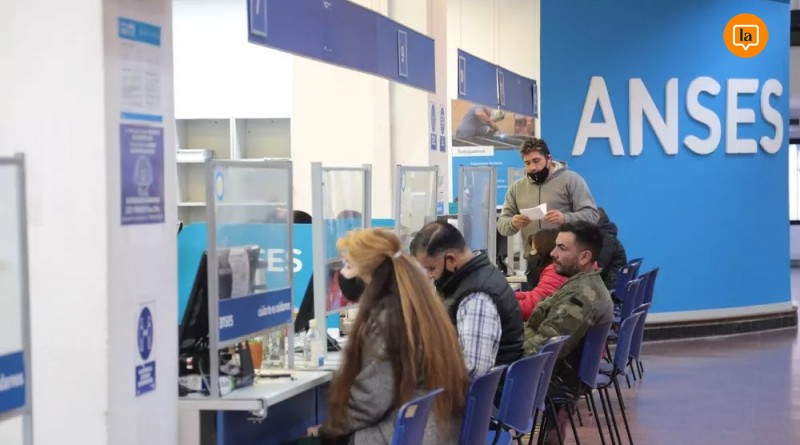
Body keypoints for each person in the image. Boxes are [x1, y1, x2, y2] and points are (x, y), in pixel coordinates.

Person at [313, 228, 468, 444]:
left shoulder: (389, 320)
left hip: (406, 435)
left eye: (348, 266)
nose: (343, 275)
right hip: (431, 430)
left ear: (369, 273)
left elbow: (370, 401)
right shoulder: (417, 306)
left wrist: (327, 429)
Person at [522, 221, 614, 444]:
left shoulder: (580, 296)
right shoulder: (583, 285)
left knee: (474, 384)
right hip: (561, 374)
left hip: (554, 378)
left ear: (584, 257)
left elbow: (544, 348)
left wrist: (502, 352)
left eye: (562, 248)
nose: (552, 253)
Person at [410, 221, 524, 380]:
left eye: (431, 268)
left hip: (485, 392)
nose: (430, 276)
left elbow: (473, 369)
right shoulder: (482, 274)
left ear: (451, 260)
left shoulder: (476, 297)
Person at [497, 138, 599, 257]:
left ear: (549, 158)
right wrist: (513, 223)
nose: (532, 167)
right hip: (533, 258)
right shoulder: (516, 188)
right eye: (527, 163)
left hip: (566, 258)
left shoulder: (572, 180)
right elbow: (501, 226)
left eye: (536, 161)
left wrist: (565, 218)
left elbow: (592, 215)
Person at [515, 229, 567, 321]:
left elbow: (529, 309)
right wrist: (506, 296)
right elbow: (534, 295)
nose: (530, 254)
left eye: (533, 249)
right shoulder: (555, 271)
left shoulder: (555, 274)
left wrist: (497, 304)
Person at [596, 207, 627, 291]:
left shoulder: (607, 239)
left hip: (610, 285)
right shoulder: (607, 235)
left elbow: (600, 267)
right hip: (613, 282)